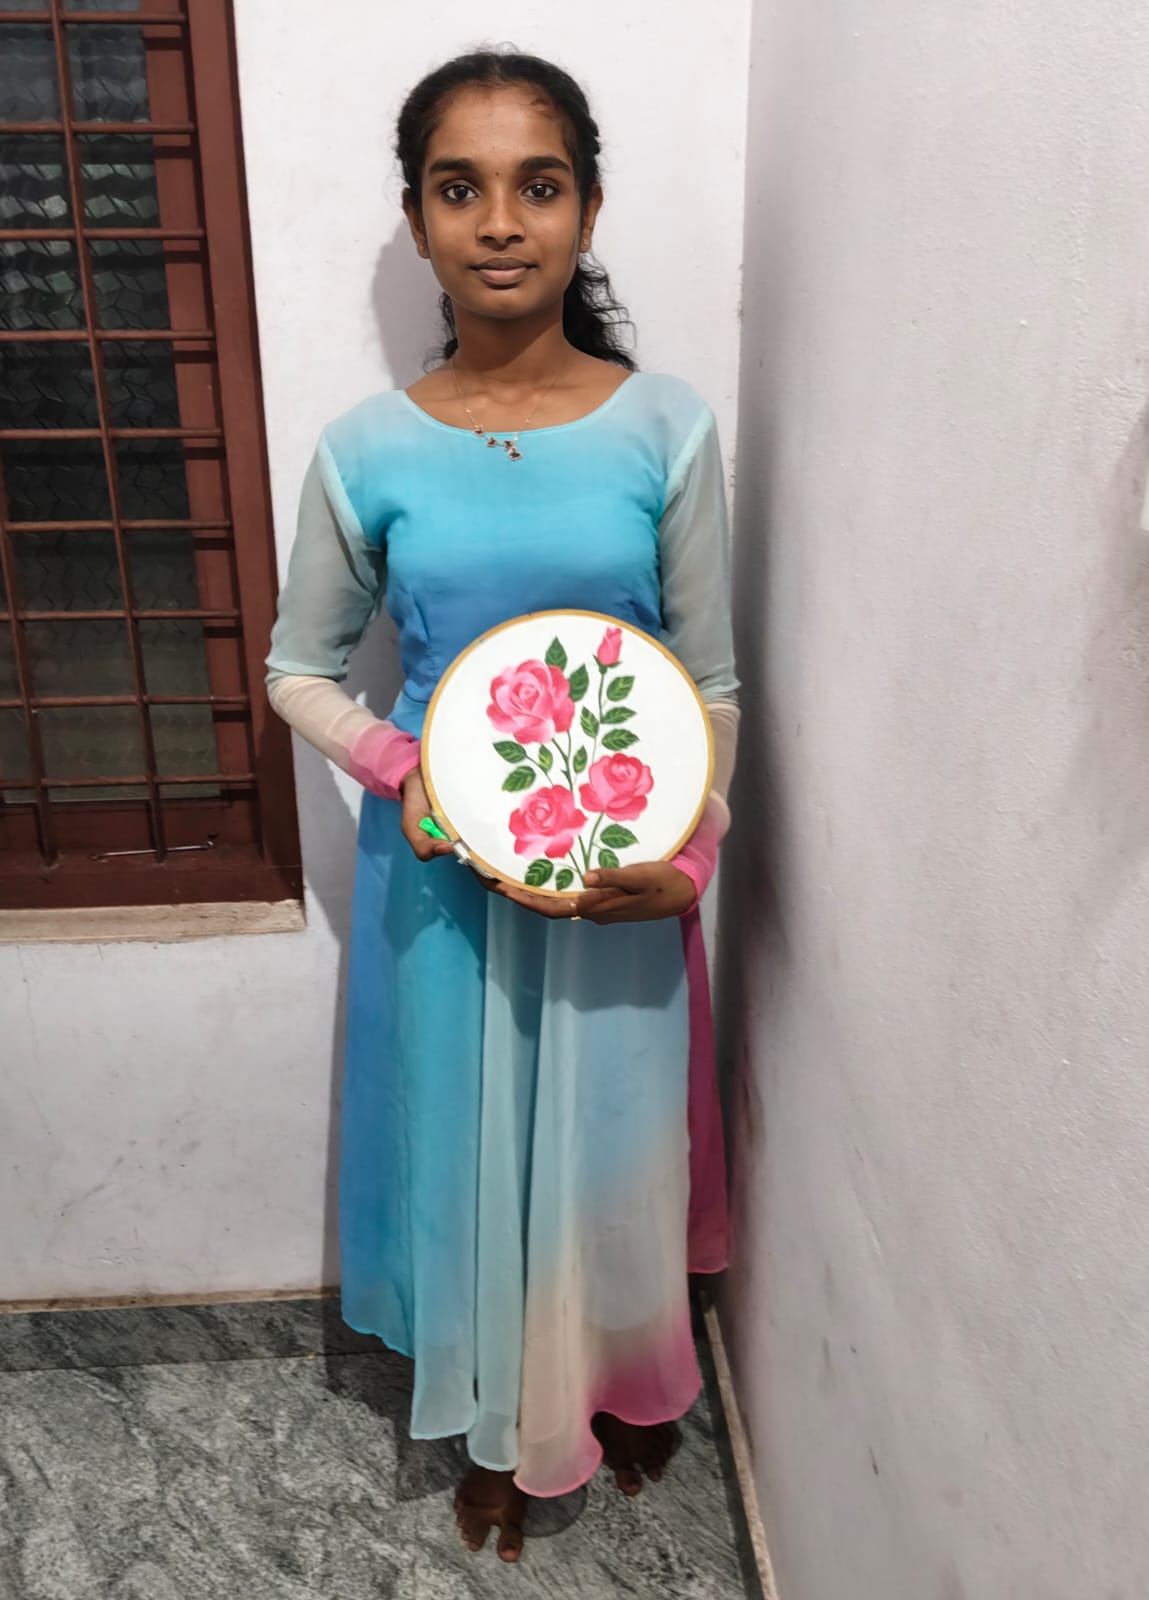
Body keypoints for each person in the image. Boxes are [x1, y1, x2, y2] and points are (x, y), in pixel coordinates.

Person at [266, 49, 739, 1564]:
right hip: (439, 884)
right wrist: (411, 773)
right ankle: (492, 1419)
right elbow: (297, 670)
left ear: (588, 208)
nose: (499, 222)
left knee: (613, 1146)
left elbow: (711, 686)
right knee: (466, 1152)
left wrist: (691, 859)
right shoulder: (366, 450)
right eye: (458, 188)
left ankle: (618, 1380)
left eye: (538, 185)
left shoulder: (667, 430)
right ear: (417, 220)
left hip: (621, 879)